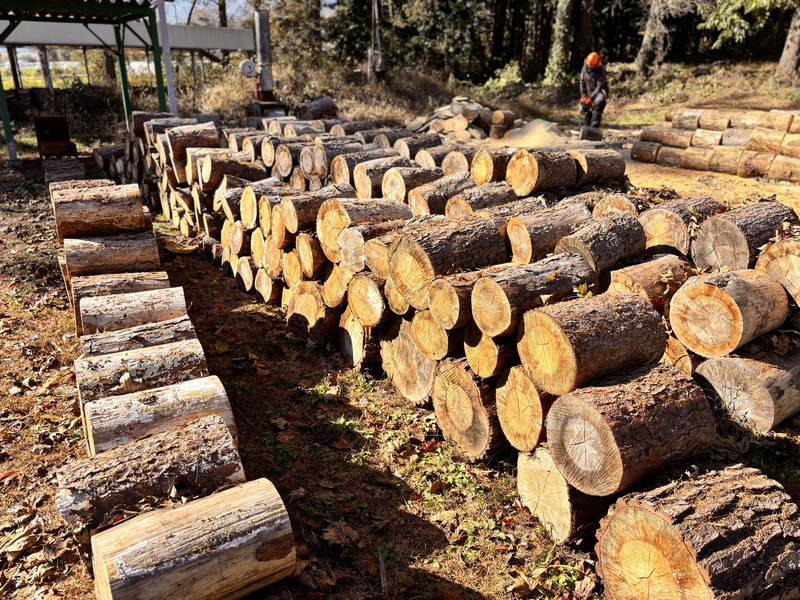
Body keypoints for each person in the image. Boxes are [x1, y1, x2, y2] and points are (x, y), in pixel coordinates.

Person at [579, 52, 608, 128]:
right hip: (588, 91)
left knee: (599, 102)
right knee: (587, 116)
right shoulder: (584, 68)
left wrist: (591, 99)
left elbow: (599, 86)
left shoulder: (601, 70)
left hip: (599, 93)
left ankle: (595, 124)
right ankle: (586, 125)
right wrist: (583, 95)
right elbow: (582, 82)